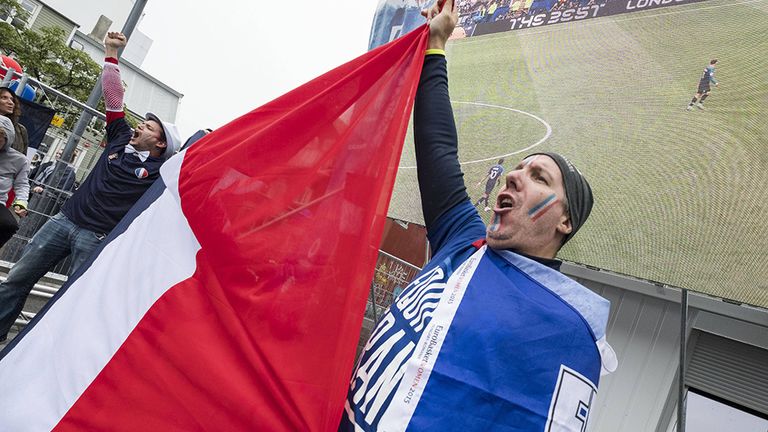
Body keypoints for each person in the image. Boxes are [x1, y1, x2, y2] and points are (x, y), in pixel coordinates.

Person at [340, 1, 615, 430]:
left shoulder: (562, 325)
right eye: (518, 168)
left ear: (566, 221)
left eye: (539, 177)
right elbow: (438, 149)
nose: (514, 176)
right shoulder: (463, 240)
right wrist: (436, 45)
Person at [0, 32, 181, 343]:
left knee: (77, 298)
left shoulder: (161, 172)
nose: (140, 125)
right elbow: (113, 97)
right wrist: (111, 53)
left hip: (95, 238)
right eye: (142, 122)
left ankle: (51, 348)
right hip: (63, 221)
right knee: (17, 278)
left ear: (161, 143)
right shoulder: (120, 137)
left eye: (149, 127)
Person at [0, 116, 29, 248]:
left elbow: (22, 184)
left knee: (9, 224)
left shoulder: (19, 160)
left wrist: (21, 202)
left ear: (7, 140)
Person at [0, 86, 29, 154]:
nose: (11, 103)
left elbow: (22, 156)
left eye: (12, 99)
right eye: (4, 97)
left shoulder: (21, 130)